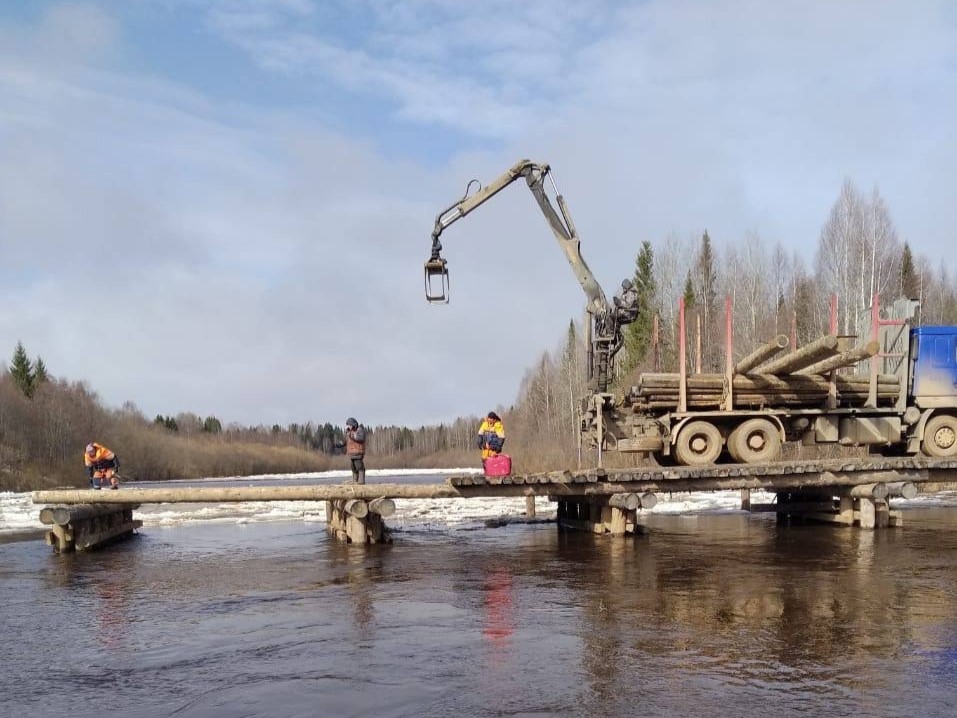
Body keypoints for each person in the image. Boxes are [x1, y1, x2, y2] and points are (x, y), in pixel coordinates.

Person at [345, 418, 366, 484]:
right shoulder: (349, 432)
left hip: (358, 452)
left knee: (359, 467)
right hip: (351, 453)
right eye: (348, 425)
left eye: (349, 425)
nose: (348, 426)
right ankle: (355, 481)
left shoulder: (359, 430)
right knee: (353, 468)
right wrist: (339, 444)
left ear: (353, 424)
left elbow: (360, 438)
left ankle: (361, 482)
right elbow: (347, 441)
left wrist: (351, 435)